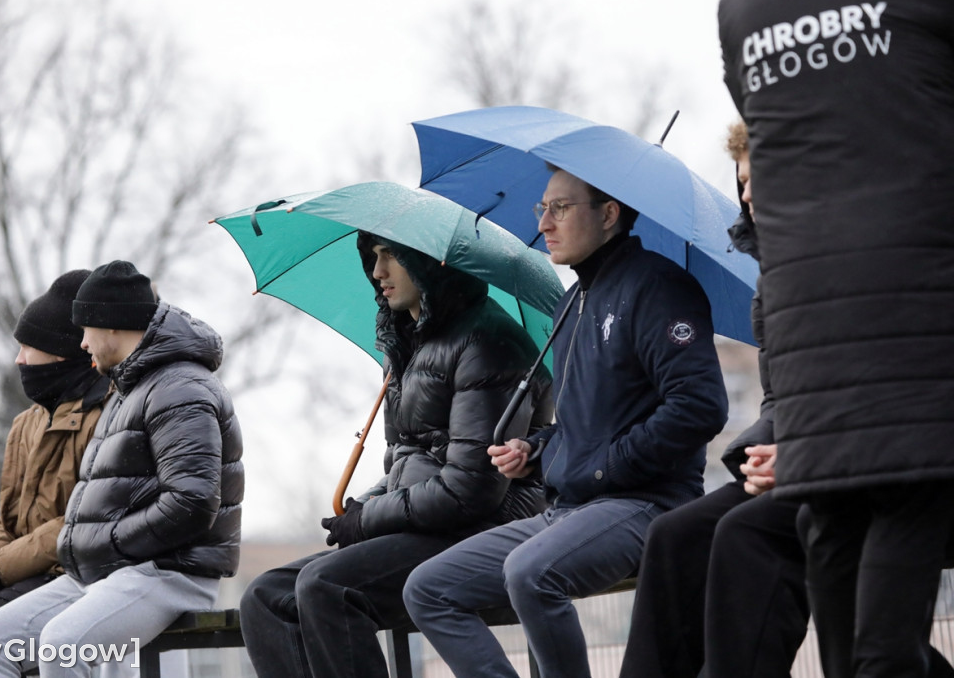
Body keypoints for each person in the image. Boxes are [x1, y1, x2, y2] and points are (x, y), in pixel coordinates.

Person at [404, 167, 729, 678]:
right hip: (571, 509)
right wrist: (535, 452)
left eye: (560, 207)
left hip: (647, 504)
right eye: (542, 208)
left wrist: (605, 467)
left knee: (529, 572)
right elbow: (584, 426)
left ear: (608, 214)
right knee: (427, 588)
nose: (545, 223)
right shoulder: (571, 303)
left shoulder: (658, 286)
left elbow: (700, 406)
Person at [719, 0, 954, 676]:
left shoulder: (741, 12)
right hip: (906, 331)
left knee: (855, 643)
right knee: (878, 650)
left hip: (821, 334)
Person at [239, 232, 553, 678]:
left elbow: (471, 488)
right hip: (429, 522)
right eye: (373, 257)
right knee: (265, 597)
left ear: (429, 263)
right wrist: (365, 505)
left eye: (392, 257)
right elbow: (408, 460)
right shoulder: (412, 344)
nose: (376, 272)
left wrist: (368, 519)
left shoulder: (488, 343)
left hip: (486, 527)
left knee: (327, 586)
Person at [0, 260, 244, 677]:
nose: (82, 343)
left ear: (112, 326)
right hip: (108, 572)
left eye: (86, 329)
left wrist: (108, 541)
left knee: (62, 645)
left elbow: (193, 500)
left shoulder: (180, 387)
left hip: (170, 574)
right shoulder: (128, 387)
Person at [619, 120, 809, 678]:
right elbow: (781, 401)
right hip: (803, 461)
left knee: (742, 534)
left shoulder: (843, 259)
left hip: (856, 465)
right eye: (742, 181)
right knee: (676, 535)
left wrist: (798, 454)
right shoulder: (773, 281)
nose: (746, 194)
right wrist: (766, 449)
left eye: (759, 178)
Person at [0, 270, 109, 675]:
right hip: (21, 571)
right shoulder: (25, 424)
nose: (19, 360)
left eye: (28, 347)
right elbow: (10, 517)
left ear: (61, 353)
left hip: (66, 572)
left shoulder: (103, 417)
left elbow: (77, 523)